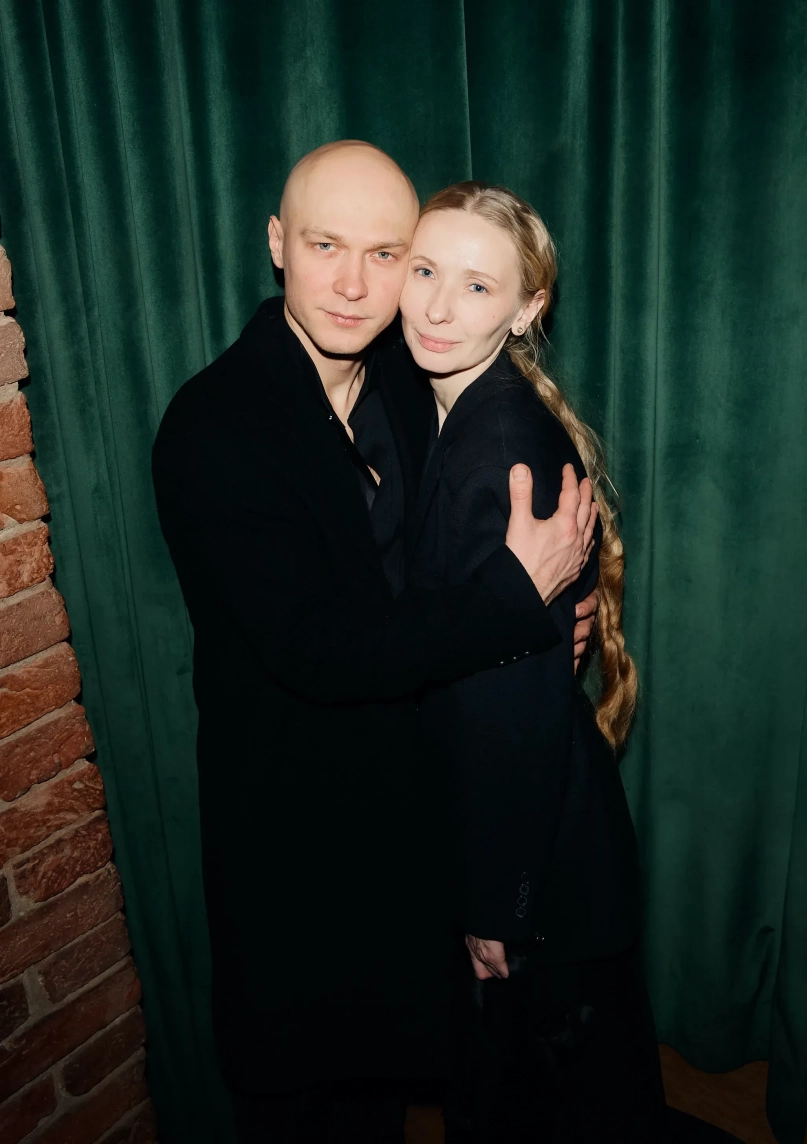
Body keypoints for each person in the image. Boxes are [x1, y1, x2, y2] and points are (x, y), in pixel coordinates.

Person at [152, 142, 598, 1143]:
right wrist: (514, 603)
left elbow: (465, 543)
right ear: (277, 244)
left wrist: (556, 613)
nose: (355, 285)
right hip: (296, 842)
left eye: (386, 254)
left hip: (414, 826)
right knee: (315, 1103)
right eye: (325, 246)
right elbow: (319, 648)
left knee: (409, 1086)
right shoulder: (213, 427)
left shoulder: (408, 369)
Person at [400, 181, 669, 1142]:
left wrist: (496, 903)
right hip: (538, 831)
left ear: (527, 309)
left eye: (477, 286)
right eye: (424, 270)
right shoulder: (456, 404)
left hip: (536, 857)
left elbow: (507, 711)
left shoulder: (499, 449)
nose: (437, 307)